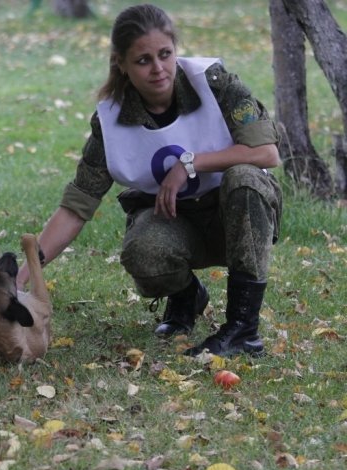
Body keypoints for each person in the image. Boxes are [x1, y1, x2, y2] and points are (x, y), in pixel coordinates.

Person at [16, 3, 282, 357]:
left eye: (165, 54)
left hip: (235, 216)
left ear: (175, 50)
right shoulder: (110, 120)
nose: (158, 69)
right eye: (143, 61)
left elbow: (266, 154)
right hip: (177, 221)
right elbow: (77, 206)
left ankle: (242, 330)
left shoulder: (214, 83)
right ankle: (187, 298)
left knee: (245, 178)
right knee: (143, 252)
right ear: (121, 65)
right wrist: (20, 278)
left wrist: (190, 162)